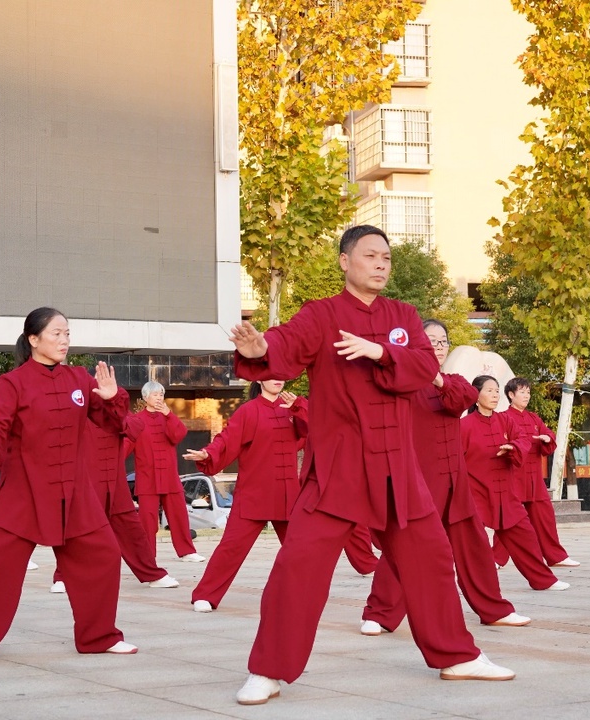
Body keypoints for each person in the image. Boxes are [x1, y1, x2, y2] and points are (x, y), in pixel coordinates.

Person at [229, 226, 513, 705]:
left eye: (386, 257)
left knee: (432, 562)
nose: (381, 264)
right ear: (345, 261)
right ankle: (268, 670)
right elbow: (286, 345)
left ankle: (456, 656)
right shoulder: (321, 315)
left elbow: (425, 369)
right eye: (370, 255)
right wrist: (259, 351)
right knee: (298, 565)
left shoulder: (403, 315)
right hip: (338, 468)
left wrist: (380, 350)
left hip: (400, 469)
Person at [0, 307, 136, 666]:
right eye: (56, 334)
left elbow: (113, 424)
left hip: (75, 492)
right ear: (33, 339)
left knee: (105, 555)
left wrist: (111, 398)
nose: (64, 340)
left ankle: (99, 636)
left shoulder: (79, 378)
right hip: (24, 492)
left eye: (67, 334)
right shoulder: (13, 382)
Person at [361, 320, 530, 637]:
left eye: (442, 342)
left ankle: (493, 610)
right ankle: (379, 613)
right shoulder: (401, 384)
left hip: (455, 484)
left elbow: (460, 400)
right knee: (403, 549)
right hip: (418, 483)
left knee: (475, 548)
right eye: (431, 341)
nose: (438, 347)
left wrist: (435, 377)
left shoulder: (453, 381)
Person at [183, 380, 307, 612]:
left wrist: (299, 406)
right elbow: (227, 439)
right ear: (259, 379)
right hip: (254, 494)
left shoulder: (292, 407)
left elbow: (312, 430)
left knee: (300, 550)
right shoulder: (248, 411)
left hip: (287, 495)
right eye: (270, 374)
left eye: (280, 373)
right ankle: (206, 595)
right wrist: (207, 453)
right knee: (231, 548)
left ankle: (302, 595)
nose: (277, 378)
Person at [50, 408, 181, 593]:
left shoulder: (116, 411)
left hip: (116, 485)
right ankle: (62, 576)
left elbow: (136, 428)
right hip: (88, 483)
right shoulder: (78, 412)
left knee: (132, 532)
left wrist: (116, 412)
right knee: (77, 530)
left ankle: (153, 574)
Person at [462, 375, 567, 592]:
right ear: (475, 394)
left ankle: (543, 580)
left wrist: (514, 448)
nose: (494, 394)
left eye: (496, 390)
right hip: (477, 492)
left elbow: (521, 439)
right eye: (489, 390)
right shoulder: (464, 426)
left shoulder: (504, 421)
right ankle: (473, 584)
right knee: (471, 541)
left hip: (505, 491)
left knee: (525, 535)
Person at [493, 377, 579, 568]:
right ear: (510, 395)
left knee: (545, 516)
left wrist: (547, 439)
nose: (526, 396)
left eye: (528, 392)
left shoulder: (533, 418)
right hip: (514, 474)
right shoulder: (502, 417)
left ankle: (556, 556)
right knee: (509, 517)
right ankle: (496, 558)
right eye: (522, 392)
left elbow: (548, 434)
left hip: (534, 476)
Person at [125, 382, 205, 563]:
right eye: (155, 395)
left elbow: (179, 435)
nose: (159, 398)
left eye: (161, 394)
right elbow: (124, 447)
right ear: (146, 398)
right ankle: (147, 557)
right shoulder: (137, 421)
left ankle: (187, 551)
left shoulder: (168, 418)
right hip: (147, 479)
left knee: (179, 517)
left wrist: (169, 414)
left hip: (169, 478)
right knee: (147, 521)